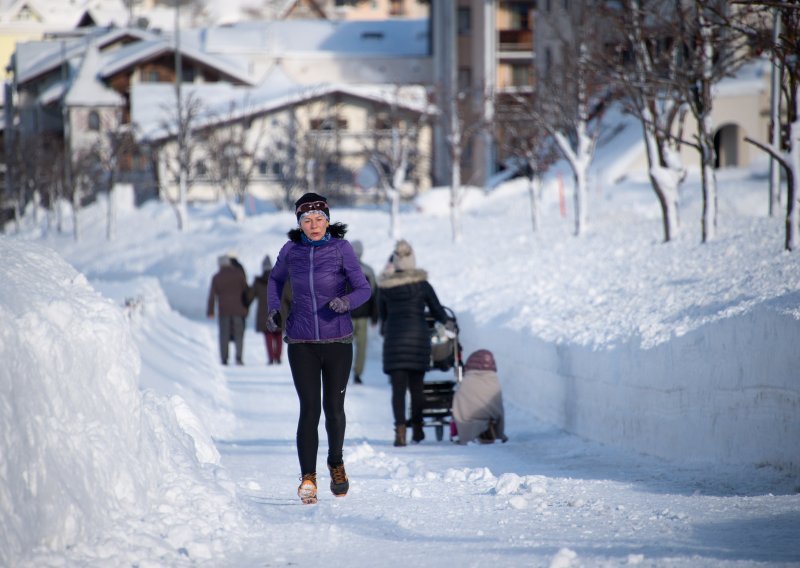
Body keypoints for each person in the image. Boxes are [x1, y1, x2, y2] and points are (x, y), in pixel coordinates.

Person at [267, 192, 371, 505]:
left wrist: (346, 302)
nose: (314, 225)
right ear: (299, 223)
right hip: (301, 342)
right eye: (307, 220)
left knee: (334, 409)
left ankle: (336, 463)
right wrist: (274, 309)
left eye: (319, 219)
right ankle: (308, 477)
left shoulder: (341, 249)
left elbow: (364, 288)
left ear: (328, 220)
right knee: (309, 409)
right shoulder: (291, 250)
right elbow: (275, 281)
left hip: (337, 339)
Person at [378, 239, 448, 447]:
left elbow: (383, 317)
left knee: (398, 391)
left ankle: (400, 431)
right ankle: (417, 429)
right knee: (417, 389)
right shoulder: (423, 285)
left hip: (394, 341)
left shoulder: (386, 287)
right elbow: (438, 311)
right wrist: (446, 322)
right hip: (418, 340)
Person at [452, 349, 509, 445]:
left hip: (467, 423)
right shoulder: (493, 380)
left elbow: (459, 403)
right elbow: (499, 408)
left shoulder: (467, 381)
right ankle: (496, 433)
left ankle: (466, 434)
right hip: (491, 420)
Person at [206, 253, 250, 365]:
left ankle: (224, 358)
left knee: (224, 334)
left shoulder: (216, 277)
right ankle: (239, 358)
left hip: (224, 311)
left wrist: (210, 311)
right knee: (239, 334)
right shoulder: (239, 274)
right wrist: (246, 306)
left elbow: (212, 296)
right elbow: (246, 290)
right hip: (239, 310)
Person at [248, 255, 291, 365]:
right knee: (278, 334)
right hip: (280, 311)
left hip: (265, 313)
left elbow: (250, 296)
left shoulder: (258, 282)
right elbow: (289, 296)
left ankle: (271, 357)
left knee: (268, 335)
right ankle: (278, 357)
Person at [349, 240, 379, 384]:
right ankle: (357, 373)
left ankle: (341, 372)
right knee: (361, 347)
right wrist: (375, 316)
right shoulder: (369, 271)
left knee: (344, 346)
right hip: (363, 315)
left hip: (346, 315)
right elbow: (374, 295)